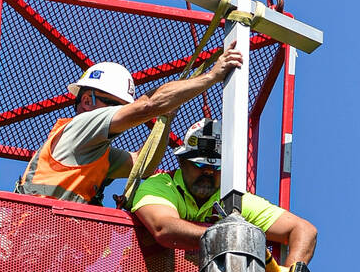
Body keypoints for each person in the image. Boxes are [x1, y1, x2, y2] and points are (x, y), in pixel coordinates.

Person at [15, 50, 243, 205]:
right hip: (38, 234)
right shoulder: (80, 126)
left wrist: (165, 119)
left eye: (123, 107)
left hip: (55, 241)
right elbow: (146, 106)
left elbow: (142, 166)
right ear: (87, 101)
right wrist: (211, 77)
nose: (124, 113)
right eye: (115, 106)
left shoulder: (94, 153)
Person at [131, 117, 317, 268]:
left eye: (217, 167)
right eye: (200, 165)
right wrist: (230, 236)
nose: (208, 172)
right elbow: (163, 228)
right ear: (182, 162)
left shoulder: (231, 198)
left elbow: (303, 229)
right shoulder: (161, 186)